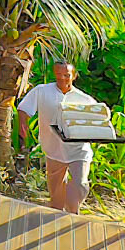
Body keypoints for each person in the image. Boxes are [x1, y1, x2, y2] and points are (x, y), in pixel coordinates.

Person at [16, 60, 98, 213]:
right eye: (59, 74)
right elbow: (24, 108)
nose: (62, 78)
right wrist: (23, 123)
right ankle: (57, 218)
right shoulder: (42, 91)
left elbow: (98, 119)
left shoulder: (85, 99)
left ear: (74, 76)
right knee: (56, 198)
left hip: (78, 150)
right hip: (53, 150)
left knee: (80, 185)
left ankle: (71, 212)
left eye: (66, 75)